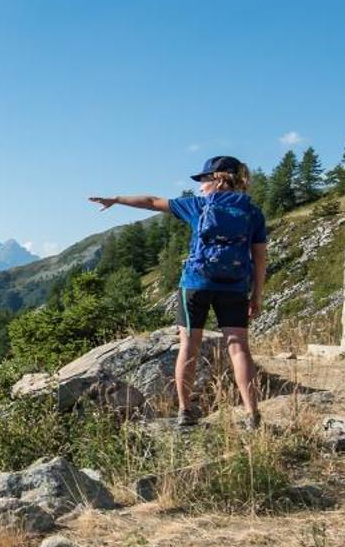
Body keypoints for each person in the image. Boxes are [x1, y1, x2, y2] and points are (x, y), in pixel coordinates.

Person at [90, 156, 269, 428]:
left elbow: (151, 202)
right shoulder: (252, 212)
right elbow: (260, 258)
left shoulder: (197, 207)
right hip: (234, 286)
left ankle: (185, 412)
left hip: (196, 284)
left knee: (189, 346)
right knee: (239, 348)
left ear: (216, 179)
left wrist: (116, 199)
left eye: (203, 180)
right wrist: (256, 295)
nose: (200, 187)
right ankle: (251, 414)